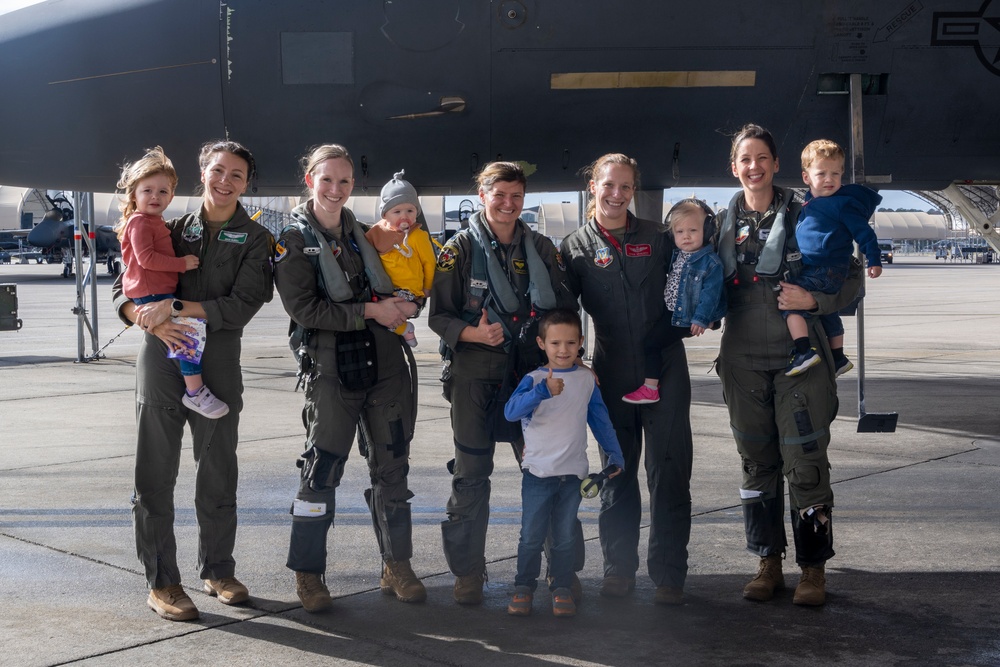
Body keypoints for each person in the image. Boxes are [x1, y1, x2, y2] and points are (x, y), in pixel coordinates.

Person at [112, 140, 274, 621]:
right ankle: (162, 581)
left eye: (237, 174)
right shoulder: (170, 226)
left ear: (246, 184)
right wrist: (145, 317)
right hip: (162, 359)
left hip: (217, 363)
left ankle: (218, 570)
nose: (225, 181)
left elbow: (243, 304)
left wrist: (176, 306)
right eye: (217, 170)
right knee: (154, 474)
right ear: (202, 173)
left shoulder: (256, 238)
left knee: (218, 469)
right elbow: (125, 287)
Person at [715, 123, 863, 606]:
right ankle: (768, 563)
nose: (754, 167)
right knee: (756, 465)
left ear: (776, 164)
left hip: (800, 361)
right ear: (734, 168)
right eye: (745, 159)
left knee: (805, 465)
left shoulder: (810, 214)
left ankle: (813, 570)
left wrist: (814, 300)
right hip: (742, 363)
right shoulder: (719, 224)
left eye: (762, 157)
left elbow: (852, 278)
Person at [274, 144, 425, 614]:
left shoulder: (367, 235)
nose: (335, 189)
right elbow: (305, 309)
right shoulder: (293, 241)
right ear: (310, 181)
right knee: (321, 470)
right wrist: (371, 312)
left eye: (344, 181)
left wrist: (409, 303)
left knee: (393, 466)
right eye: (327, 180)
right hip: (331, 367)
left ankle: (396, 565)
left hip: (385, 364)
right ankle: (308, 573)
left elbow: (410, 274)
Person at [429, 161, 578, 606]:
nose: (508, 204)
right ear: (482, 195)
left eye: (516, 196)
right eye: (500, 195)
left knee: (547, 472)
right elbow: (439, 315)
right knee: (471, 475)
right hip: (475, 376)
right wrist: (472, 334)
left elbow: (564, 309)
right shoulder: (457, 250)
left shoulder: (543, 248)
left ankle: (561, 573)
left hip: (533, 377)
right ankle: (468, 573)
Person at [559, 153, 693, 606]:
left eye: (626, 187)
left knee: (670, 472)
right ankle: (618, 568)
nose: (616, 195)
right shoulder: (574, 247)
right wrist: (574, 361)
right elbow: (564, 313)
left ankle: (669, 574)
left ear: (634, 190)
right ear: (592, 186)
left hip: (665, 367)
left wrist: (703, 312)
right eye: (608, 185)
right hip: (611, 370)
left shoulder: (659, 236)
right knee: (617, 472)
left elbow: (693, 276)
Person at [503, 309, 624, 618]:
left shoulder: (586, 380)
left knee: (565, 536)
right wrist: (542, 392)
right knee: (531, 536)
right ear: (541, 344)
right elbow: (511, 412)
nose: (563, 350)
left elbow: (600, 420)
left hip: (573, 475)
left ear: (581, 342)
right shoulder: (534, 379)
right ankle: (523, 587)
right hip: (538, 474)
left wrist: (615, 454)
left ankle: (561, 587)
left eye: (570, 343)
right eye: (555, 343)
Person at [115, 146, 228, 419]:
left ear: (172, 196)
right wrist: (182, 264)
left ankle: (194, 389)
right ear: (134, 194)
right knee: (186, 337)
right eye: (147, 190)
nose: (155, 196)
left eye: (163, 191)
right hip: (151, 293)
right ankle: (195, 392)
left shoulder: (155, 221)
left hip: (157, 291)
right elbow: (146, 259)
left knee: (184, 334)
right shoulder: (140, 223)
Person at [783, 139, 883, 377]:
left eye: (835, 174)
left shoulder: (841, 205)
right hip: (822, 268)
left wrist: (874, 259)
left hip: (825, 268)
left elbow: (864, 232)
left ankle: (803, 351)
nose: (829, 179)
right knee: (828, 312)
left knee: (789, 302)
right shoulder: (810, 204)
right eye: (822, 174)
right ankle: (838, 358)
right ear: (806, 177)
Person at [622, 198, 726, 405]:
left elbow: (711, 294)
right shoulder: (678, 254)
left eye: (693, 230)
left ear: (707, 231)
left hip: (686, 316)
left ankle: (650, 388)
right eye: (679, 232)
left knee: (651, 343)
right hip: (672, 311)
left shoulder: (710, 262)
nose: (686, 236)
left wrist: (701, 318)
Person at [364, 169, 436, 347]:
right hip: (383, 291)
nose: (404, 216)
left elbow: (429, 262)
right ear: (385, 214)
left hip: (409, 292)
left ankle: (404, 329)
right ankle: (404, 329)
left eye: (410, 210)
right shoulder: (376, 233)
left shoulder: (418, 236)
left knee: (400, 311)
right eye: (397, 211)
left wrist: (427, 288)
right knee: (380, 313)